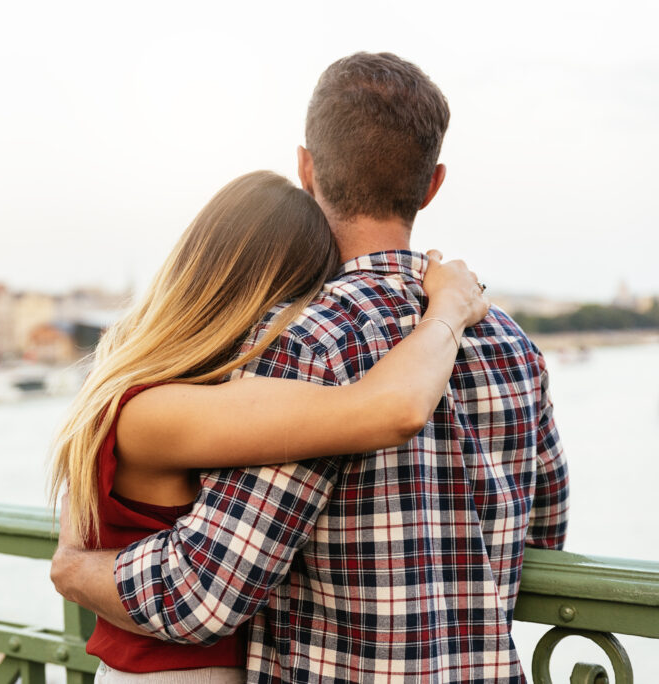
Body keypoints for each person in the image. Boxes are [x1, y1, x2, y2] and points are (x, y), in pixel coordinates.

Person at [51, 52, 569, 683]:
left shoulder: (303, 344)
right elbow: (545, 541)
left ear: (306, 169)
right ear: (432, 185)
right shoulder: (511, 342)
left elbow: (201, 597)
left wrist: (76, 567)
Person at [49, 169, 488, 682]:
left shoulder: (138, 391)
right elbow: (390, 410)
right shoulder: (159, 411)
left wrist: (77, 567)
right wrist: (450, 308)